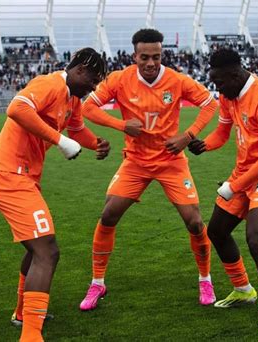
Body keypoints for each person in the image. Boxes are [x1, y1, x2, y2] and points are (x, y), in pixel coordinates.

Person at [79, 28, 218, 311]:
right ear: (135, 56)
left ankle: (205, 278)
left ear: (161, 55)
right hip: (136, 162)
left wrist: (187, 136)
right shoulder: (119, 80)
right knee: (108, 215)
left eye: (156, 56)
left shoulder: (177, 81)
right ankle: (97, 282)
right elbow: (88, 108)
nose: (151, 63)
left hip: (171, 161)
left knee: (194, 221)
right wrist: (121, 125)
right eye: (145, 57)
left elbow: (209, 103)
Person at [0, 48, 110, 342]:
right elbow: (17, 109)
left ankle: (22, 314)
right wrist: (60, 140)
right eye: (93, 80)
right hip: (8, 176)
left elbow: (77, 128)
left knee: (37, 249)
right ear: (78, 69)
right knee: (47, 251)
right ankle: (30, 335)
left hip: (21, 177)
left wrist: (95, 144)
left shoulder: (73, 98)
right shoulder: (50, 83)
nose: (94, 87)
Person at [188, 48, 258, 341]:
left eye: (219, 82)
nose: (216, 88)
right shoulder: (229, 94)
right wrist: (205, 145)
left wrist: (233, 186)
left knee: (257, 239)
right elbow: (222, 132)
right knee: (217, 231)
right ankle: (243, 290)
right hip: (244, 174)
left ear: (235, 74)